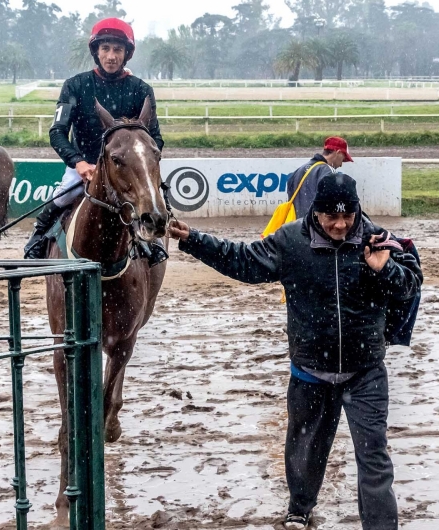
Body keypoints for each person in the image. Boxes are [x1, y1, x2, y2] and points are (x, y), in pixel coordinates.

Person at [168, 174, 422, 530]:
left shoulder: (377, 239)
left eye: (347, 216)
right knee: (304, 451)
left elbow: (410, 285)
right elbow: (243, 261)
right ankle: (299, 510)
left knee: (374, 457)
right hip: (310, 371)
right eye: (330, 217)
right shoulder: (290, 241)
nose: (339, 224)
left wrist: (384, 269)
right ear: (315, 213)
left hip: (366, 372)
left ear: (357, 211)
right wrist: (194, 240)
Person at [23, 17, 165, 262]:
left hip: (126, 171)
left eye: (118, 49)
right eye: (106, 49)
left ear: (126, 53)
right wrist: (77, 162)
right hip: (84, 168)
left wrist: (140, 164)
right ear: (96, 51)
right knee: (62, 197)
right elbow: (57, 132)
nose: (111, 56)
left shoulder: (142, 90)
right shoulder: (75, 86)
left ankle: (154, 241)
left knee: (152, 199)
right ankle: (38, 237)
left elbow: (156, 140)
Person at [286, 136, 353, 218]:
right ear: (338, 153)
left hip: (295, 226)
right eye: (343, 159)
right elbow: (332, 205)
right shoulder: (328, 171)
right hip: (314, 226)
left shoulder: (298, 171)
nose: (341, 164)